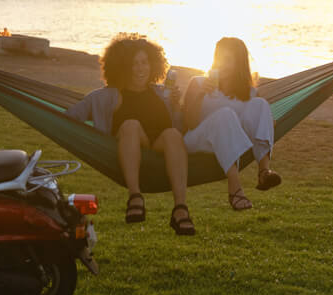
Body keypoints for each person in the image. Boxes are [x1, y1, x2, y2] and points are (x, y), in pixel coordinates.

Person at [64, 34, 194, 235]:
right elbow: (70, 117)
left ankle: (180, 208)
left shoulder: (163, 93)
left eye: (144, 62)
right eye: (133, 64)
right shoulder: (105, 96)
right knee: (131, 125)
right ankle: (135, 196)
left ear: (152, 64)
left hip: (159, 145)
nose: (140, 68)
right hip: (131, 142)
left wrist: (177, 107)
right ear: (123, 67)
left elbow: (179, 127)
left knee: (173, 134)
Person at [181, 37, 280, 211]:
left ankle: (264, 171)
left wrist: (268, 123)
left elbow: (251, 123)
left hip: (229, 143)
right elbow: (189, 123)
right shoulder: (198, 82)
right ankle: (234, 187)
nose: (221, 64)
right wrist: (200, 95)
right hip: (196, 140)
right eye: (218, 57)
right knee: (225, 115)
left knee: (261, 104)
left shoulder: (250, 92)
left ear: (239, 64)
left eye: (227, 60)